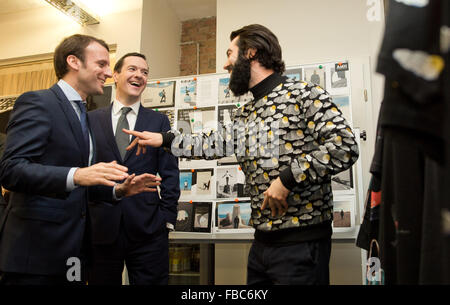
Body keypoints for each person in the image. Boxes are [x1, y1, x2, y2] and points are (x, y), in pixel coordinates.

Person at [125, 24, 359, 284]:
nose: (226, 64)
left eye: (229, 53)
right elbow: (214, 143)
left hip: (301, 243)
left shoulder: (304, 94)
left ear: (250, 53)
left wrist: (287, 179)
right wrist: (164, 138)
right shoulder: (245, 113)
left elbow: (344, 146)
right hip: (261, 244)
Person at [0, 34, 160, 285]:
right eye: (101, 64)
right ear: (74, 61)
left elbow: (81, 186)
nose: (108, 73)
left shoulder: (84, 115)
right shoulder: (38, 102)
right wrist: (76, 174)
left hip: (73, 252)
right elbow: (11, 169)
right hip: (36, 252)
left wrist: (118, 190)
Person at [87, 52, 180, 285]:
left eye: (145, 72)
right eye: (132, 69)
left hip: (148, 228)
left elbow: (170, 172)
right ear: (115, 75)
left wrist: (166, 219)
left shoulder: (158, 121)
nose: (139, 75)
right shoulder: (90, 120)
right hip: (101, 226)